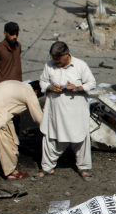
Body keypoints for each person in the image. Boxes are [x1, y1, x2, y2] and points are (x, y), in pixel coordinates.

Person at [37, 42, 96, 181]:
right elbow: (42, 82)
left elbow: (91, 83)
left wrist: (77, 88)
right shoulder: (49, 65)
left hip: (76, 112)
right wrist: (50, 87)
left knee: (80, 138)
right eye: (54, 59)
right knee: (51, 138)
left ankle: (83, 167)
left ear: (66, 54)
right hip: (56, 112)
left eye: (58, 59)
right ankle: (47, 167)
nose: (56, 62)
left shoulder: (80, 65)